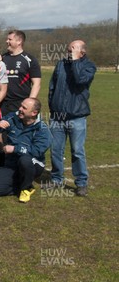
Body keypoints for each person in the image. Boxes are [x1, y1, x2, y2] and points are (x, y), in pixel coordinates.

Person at [47, 40, 96, 196]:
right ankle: (56, 180)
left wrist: (75, 61)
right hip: (57, 116)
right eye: (68, 50)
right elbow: (52, 86)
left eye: (72, 51)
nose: (68, 53)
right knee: (55, 150)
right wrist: (53, 107)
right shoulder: (61, 64)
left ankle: (81, 183)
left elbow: (80, 79)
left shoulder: (89, 66)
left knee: (77, 151)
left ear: (82, 52)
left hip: (77, 116)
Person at [0, 98, 52, 203]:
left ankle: (26, 189)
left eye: (24, 108)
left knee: (25, 160)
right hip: (12, 162)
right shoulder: (14, 117)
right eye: (21, 105)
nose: (20, 109)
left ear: (34, 113)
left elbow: (36, 151)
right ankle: (20, 183)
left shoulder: (42, 129)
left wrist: (15, 149)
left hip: (33, 163)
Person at [1, 30, 41, 115]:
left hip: (21, 103)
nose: (7, 41)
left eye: (10, 39)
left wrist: (29, 104)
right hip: (3, 103)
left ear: (19, 41)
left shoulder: (30, 60)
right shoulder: (2, 58)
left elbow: (36, 84)